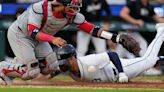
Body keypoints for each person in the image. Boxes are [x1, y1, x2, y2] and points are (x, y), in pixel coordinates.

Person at [0, 0, 140, 85]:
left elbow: (92, 29)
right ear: (60, 4)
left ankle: (20, 64)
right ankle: (4, 68)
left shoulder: (72, 16)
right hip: (21, 34)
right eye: (72, 6)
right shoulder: (40, 8)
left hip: (41, 37)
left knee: (53, 67)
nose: (75, 10)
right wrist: (53, 39)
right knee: (31, 72)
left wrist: (116, 38)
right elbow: (32, 32)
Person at [53, 23, 164, 83]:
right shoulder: (68, 68)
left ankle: (161, 32)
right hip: (114, 76)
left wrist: (121, 73)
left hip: (121, 70)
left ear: (73, 58)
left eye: (65, 62)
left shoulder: (88, 61)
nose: (63, 64)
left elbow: (112, 55)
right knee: (152, 62)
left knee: (148, 61)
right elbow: (55, 70)